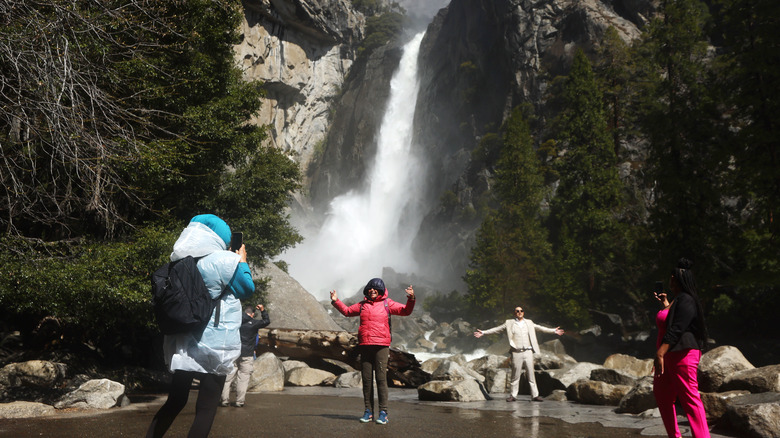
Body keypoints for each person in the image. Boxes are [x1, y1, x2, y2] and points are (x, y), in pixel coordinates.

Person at [146, 214, 255, 438]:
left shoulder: (179, 258)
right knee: (206, 408)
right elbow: (246, 289)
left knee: (175, 401)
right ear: (220, 237)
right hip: (215, 345)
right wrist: (241, 260)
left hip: (184, 341)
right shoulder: (223, 260)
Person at [330, 278, 415, 425]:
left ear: (381, 290)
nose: (372, 290)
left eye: (376, 288)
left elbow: (406, 311)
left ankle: (383, 413)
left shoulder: (388, 303)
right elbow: (347, 311)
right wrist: (336, 301)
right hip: (365, 346)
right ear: (367, 290)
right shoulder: (362, 305)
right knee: (367, 381)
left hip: (381, 346)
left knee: (381, 380)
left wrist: (411, 298)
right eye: (370, 288)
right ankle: (368, 411)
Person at [653, 258, 710, 438]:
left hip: (683, 354)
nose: (670, 278)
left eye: (674, 277)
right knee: (662, 395)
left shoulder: (687, 300)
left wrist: (660, 353)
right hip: (669, 355)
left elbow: (678, 328)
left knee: (690, 399)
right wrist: (665, 304)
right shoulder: (677, 301)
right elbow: (671, 322)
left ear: (680, 280)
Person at [474, 306, 564, 402]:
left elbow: (540, 328)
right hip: (516, 352)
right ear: (514, 313)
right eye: (517, 311)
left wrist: (553, 330)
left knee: (531, 374)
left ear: (523, 313)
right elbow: (497, 329)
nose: (519, 312)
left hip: (528, 351)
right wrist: (484, 332)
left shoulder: (529, 322)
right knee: (515, 375)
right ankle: (513, 395)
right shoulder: (509, 323)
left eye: (521, 311)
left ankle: (535, 395)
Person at [220, 303, 270, 407]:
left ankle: (224, 400)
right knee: (243, 378)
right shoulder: (254, 323)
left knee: (228, 378)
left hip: (233, 352)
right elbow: (266, 321)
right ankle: (239, 401)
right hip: (247, 354)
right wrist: (263, 310)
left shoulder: (235, 321)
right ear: (252, 314)